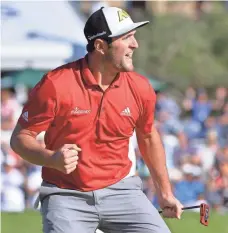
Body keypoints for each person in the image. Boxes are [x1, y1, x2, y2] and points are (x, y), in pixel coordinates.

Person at [10, 6, 183, 233]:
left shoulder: (140, 87)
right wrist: (51, 158)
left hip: (123, 191)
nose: (135, 44)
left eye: (134, 36)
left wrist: (165, 192)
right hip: (65, 194)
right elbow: (20, 138)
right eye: (126, 38)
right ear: (100, 46)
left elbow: (149, 137)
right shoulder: (56, 84)